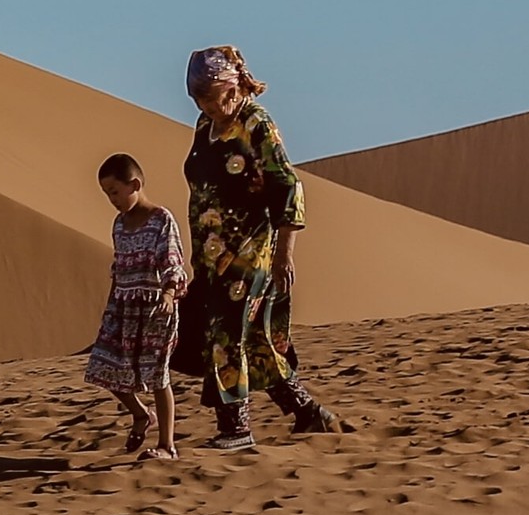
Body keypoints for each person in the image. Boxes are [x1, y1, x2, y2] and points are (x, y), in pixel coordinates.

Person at [179, 45, 340, 450]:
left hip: (251, 253)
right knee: (253, 341)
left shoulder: (257, 125)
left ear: (231, 89)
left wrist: (285, 252)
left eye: (211, 98)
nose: (206, 106)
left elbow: (287, 185)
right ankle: (309, 414)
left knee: (225, 336)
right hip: (213, 258)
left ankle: (235, 430)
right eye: (199, 99)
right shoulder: (205, 126)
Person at [84, 152, 184, 460]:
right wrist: (112, 304)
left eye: (114, 191)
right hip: (123, 308)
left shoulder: (161, 219)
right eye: (106, 193)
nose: (111, 199)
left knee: (158, 377)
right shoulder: (119, 224)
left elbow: (172, 262)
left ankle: (167, 445)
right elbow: (118, 266)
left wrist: (168, 295)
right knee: (103, 368)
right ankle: (141, 414)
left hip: (155, 309)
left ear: (135, 184)